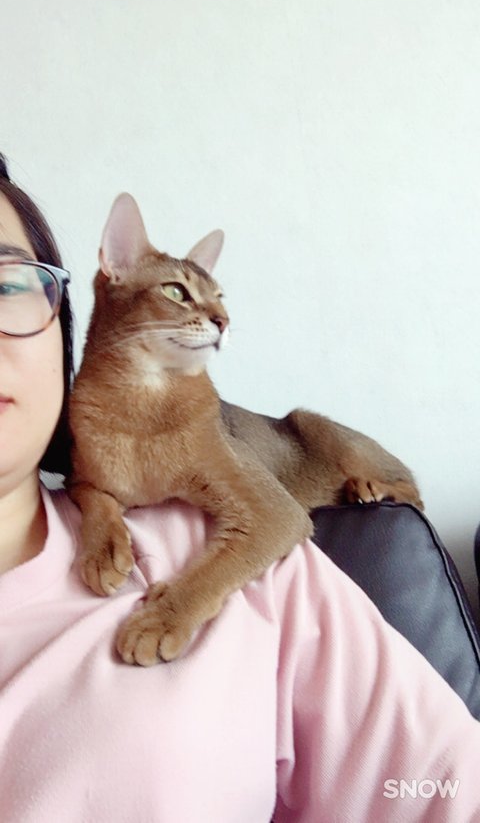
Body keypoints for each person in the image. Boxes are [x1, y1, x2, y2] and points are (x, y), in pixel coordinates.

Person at [0, 154, 479, 823]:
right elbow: (97, 480)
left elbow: (444, 789)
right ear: (114, 274)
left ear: (59, 317)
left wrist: (183, 602)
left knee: (312, 429)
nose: (215, 316)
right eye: (182, 294)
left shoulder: (269, 586)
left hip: (294, 471)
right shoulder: (97, 448)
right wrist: (100, 508)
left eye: (5, 284)